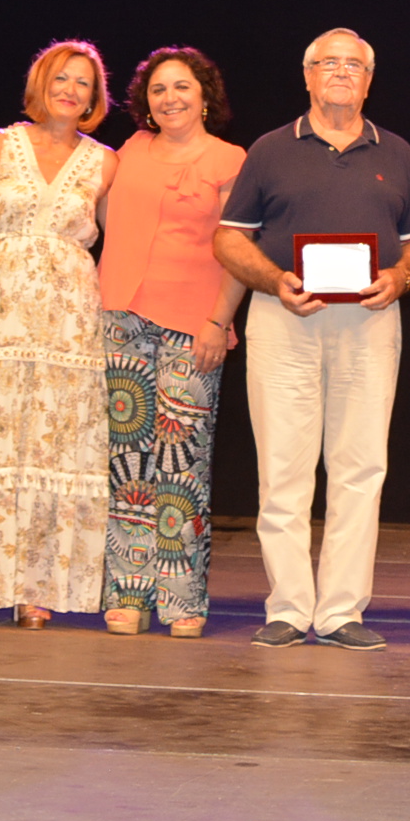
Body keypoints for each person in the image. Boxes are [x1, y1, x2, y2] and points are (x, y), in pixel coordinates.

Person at [213, 28, 410, 650]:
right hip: (284, 319)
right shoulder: (270, 149)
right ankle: (287, 607)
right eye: (327, 63)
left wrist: (400, 278)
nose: (340, 72)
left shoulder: (399, 152)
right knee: (283, 467)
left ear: (369, 80)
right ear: (306, 76)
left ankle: (340, 612)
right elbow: (228, 238)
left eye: (353, 65)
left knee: (361, 467)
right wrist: (274, 280)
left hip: (369, 322)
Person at [0, 40, 118, 627]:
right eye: (61, 78)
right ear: (39, 84)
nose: (71, 90)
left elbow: (123, 245)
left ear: (95, 96)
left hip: (69, 325)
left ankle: (39, 586)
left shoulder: (106, 162)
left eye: (83, 82)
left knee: (53, 446)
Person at [97, 46, 246, 637]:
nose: (170, 98)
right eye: (158, 89)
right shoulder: (130, 150)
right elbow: (106, 218)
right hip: (122, 316)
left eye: (182, 86)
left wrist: (219, 320)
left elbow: (238, 248)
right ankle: (128, 592)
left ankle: (181, 597)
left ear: (204, 95)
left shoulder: (230, 158)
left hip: (194, 321)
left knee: (182, 463)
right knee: (126, 458)